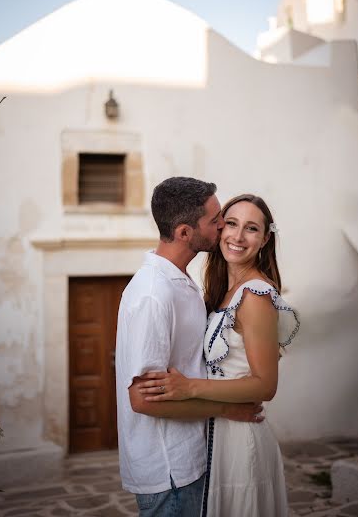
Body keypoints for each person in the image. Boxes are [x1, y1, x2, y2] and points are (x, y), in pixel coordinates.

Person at [138, 193, 300, 517]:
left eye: (251, 228)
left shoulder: (255, 295)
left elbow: (265, 385)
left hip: (242, 439)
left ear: (266, 239)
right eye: (232, 224)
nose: (238, 237)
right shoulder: (226, 291)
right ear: (220, 228)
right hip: (221, 432)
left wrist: (189, 387)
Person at [115, 180, 264, 517]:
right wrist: (226, 410)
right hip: (171, 469)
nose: (223, 226)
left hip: (188, 460)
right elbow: (141, 400)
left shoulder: (178, 281)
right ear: (184, 232)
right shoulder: (154, 294)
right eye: (215, 221)